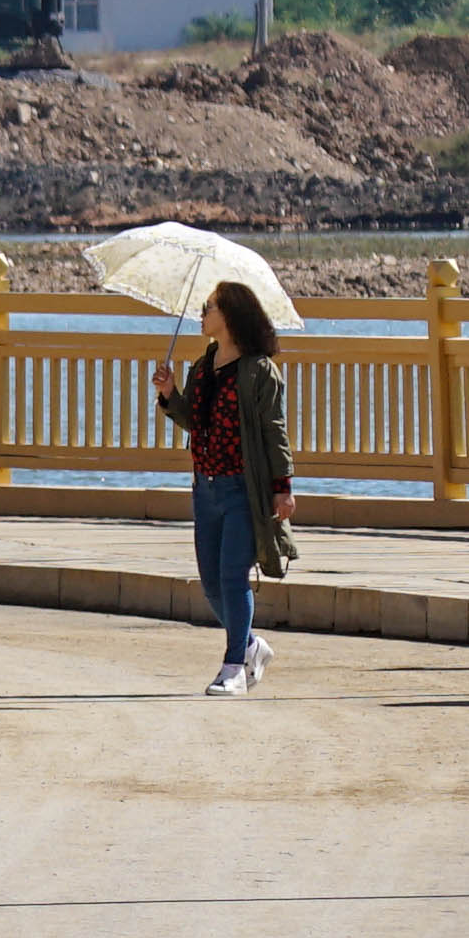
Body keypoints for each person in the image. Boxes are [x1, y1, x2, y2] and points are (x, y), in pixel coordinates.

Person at [171, 283, 292, 696]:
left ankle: (233, 667)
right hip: (204, 488)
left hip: (243, 488)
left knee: (233, 576)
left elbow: (275, 431)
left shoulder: (259, 371)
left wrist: (282, 487)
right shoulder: (203, 365)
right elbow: (194, 421)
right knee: (209, 584)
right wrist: (170, 394)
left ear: (230, 315)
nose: (201, 314)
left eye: (208, 308)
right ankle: (251, 645)